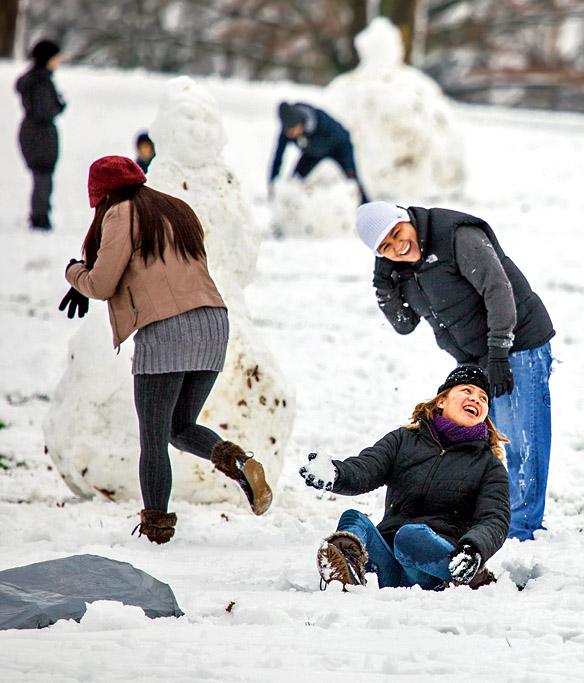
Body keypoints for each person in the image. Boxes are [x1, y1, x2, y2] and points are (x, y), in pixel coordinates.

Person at [61, 156, 273, 544]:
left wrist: (74, 273)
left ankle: (156, 530)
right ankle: (240, 463)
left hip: (165, 330)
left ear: (102, 193)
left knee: (155, 438)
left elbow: (102, 283)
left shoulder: (120, 212)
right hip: (213, 323)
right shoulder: (176, 209)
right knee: (180, 427)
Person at [355, 201, 555, 542]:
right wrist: (384, 286)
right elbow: (404, 324)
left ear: (406, 219)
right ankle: (493, 524)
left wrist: (497, 351)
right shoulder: (399, 268)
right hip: (474, 356)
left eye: (397, 233)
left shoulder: (456, 236)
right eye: (385, 247)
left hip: (516, 342)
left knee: (523, 442)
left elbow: (498, 289)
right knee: (484, 443)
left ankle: (522, 532)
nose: (397, 247)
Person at [299, 366, 511, 590]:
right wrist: (336, 473)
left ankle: (474, 578)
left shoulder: (488, 465)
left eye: (483, 398)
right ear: (442, 401)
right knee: (353, 519)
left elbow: (495, 518)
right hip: (387, 564)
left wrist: (473, 549)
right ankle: (347, 570)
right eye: (467, 391)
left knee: (410, 536)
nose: (476, 400)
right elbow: (367, 467)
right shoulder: (404, 440)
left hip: (434, 567)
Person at [269, 101, 368, 203]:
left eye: (294, 130)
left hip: (338, 147)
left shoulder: (319, 120)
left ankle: (367, 208)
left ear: (301, 123)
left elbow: (344, 141)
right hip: (312, 154)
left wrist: (350, 170)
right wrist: (273, 186)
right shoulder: (287, 133)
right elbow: (278, 158)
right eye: (288, 132)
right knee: (295, 181)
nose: (292, 134)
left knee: (353, 182)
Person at [15, 38, 66, 230]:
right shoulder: (41, 81)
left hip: (32, 132)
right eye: (56, 57)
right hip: (40, 134)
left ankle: (40, 212)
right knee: (43, 175)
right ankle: (40, 217)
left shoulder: (36, 80)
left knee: (41, 175)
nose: (59, 60)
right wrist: (59, 106)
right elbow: (44, 111)